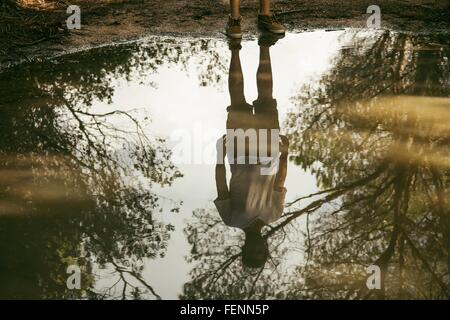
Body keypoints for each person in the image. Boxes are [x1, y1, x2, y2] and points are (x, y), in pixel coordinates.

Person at [215, 35, 288, 268]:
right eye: (261, 254)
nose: (258, 250)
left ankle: (235, 49)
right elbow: (279, 181)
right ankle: (264, 45)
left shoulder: (232, 219)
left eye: (252, 254)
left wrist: (219, 155)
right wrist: (285, 154)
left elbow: (222, 185)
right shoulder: (274, 214)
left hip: (239, 151)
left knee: (237, 99)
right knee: (266, 97)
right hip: (268, 149)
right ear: (265, 249)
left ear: (245, 249)